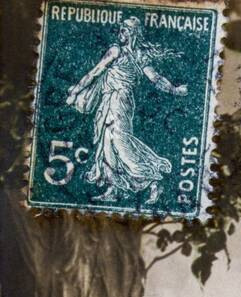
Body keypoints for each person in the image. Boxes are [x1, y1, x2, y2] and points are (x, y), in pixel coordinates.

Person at [66, 17, 187, 206]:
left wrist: (174, 90)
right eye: (120, 30)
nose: (120, 34)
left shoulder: (137, 55)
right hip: (109, 101)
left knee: (121, 145)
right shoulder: (117, 50)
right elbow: (94, 72)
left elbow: (156, 78)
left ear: (133, 34)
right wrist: (76, 91)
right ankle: (113, 189)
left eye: (124, 30)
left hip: (120, 102)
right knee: (106, 146)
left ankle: (154, 180)